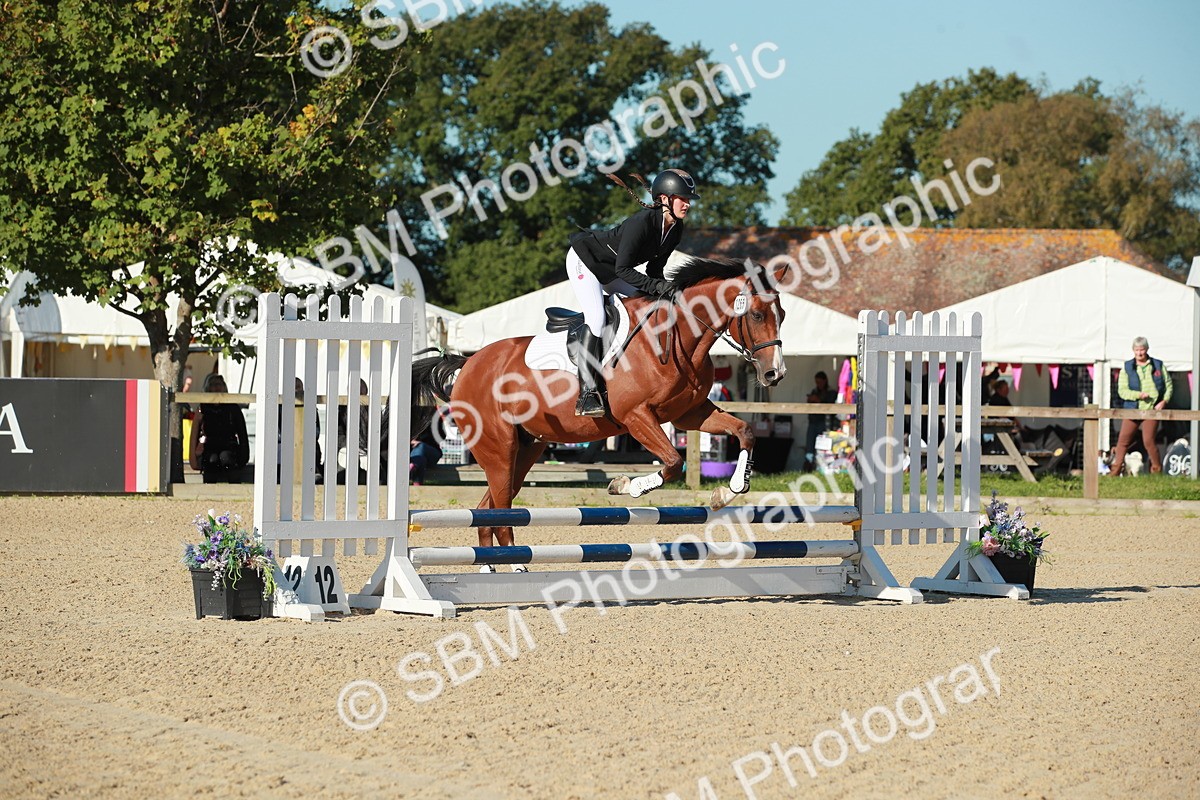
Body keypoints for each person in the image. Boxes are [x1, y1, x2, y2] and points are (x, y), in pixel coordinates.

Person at [565, 168, 700, 416]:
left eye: (689, 199)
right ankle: (586, 393)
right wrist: (657, 287)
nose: (688, 204)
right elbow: (624, 269)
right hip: (586, 262)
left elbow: (654, 269)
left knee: (647, 305)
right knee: (596, 318)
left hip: (613, 270)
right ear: (664, 199)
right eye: (683, 198)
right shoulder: (642, 223)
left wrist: (666, 292)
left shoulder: (674, 229)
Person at [1110, 336, 1172, 475]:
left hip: (1152, 410)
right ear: (1133, 350)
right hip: (1133, 409)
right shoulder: (1127, 368)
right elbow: (1122, 391)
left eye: (1142, 350)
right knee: (1123, 441)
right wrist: (1138, 395)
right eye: (1137, 350)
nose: (1139, 353)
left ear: (1147, 349)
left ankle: (1156, 470)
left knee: (1148, 441)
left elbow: (1168, 385)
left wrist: (1164, 401)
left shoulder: (1158, 365)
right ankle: (1115, 471)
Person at [189, 374, 250, 483]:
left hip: (229, 447)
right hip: (209, 447)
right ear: (208, 389)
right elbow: (194, 435)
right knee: (211, 459)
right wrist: (193, 459)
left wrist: (244, 457)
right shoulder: (202, 409)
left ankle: (234, 487)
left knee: (226, 457)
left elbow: (242, 434)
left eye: (219, 384)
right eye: (213, 385)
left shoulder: (233, 408)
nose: (217, 387)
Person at [804, 371, 837, 471]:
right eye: (816, 382)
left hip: (824, 424)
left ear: (825, 381)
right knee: (809, 447)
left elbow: (831, 407)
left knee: (823, 447)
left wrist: (817, 400)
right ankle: (809, 467)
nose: (818, 384)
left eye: (820, 382)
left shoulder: (831, 392)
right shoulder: (814, 391)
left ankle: (821, 468)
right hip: (813, 422)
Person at [410, 407, 447, 485]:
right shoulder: (408, 418)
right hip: (415, 456)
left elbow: (441, 436)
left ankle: (413, 467)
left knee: (420, 447)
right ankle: (417, 486)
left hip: (432, 452)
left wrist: (420, 441)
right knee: (420, 459)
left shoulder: (434, 417)